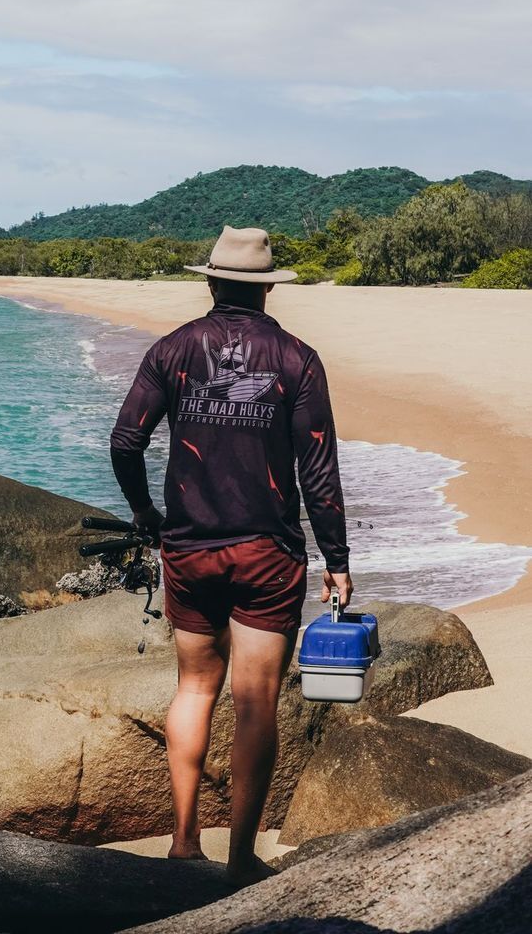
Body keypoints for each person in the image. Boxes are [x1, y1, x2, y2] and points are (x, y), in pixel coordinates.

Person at [109, 225, 353, 886]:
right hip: (267, 552)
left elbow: (126, 440)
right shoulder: (298, 358)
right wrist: (337, 557)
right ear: (268, 289)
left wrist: (144, 514)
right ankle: (242, 857)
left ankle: (184, 841)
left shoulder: (173, 349)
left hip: (189, 546)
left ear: (212, 281)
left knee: (193, 688)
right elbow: (318, 471)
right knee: (255, 703)